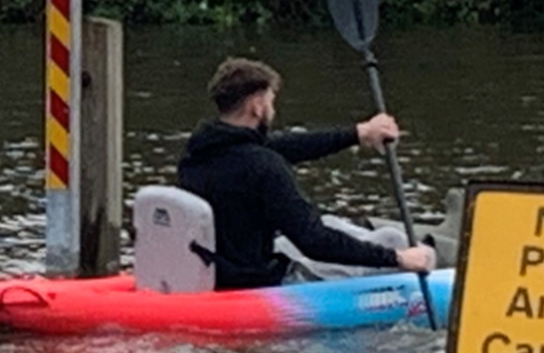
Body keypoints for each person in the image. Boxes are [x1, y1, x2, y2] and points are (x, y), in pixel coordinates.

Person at [177, 57, 437, 291]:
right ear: (257, 106)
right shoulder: (264, 166)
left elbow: (287, 146)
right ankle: (429, 266)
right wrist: (397, 258)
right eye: (270, 101)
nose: (272, 109)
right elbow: (314, 242)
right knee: (392, 241)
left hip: (223, 265)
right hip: (257, 283)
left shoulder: (198, 153)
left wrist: (359, 133)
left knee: (333, 222)